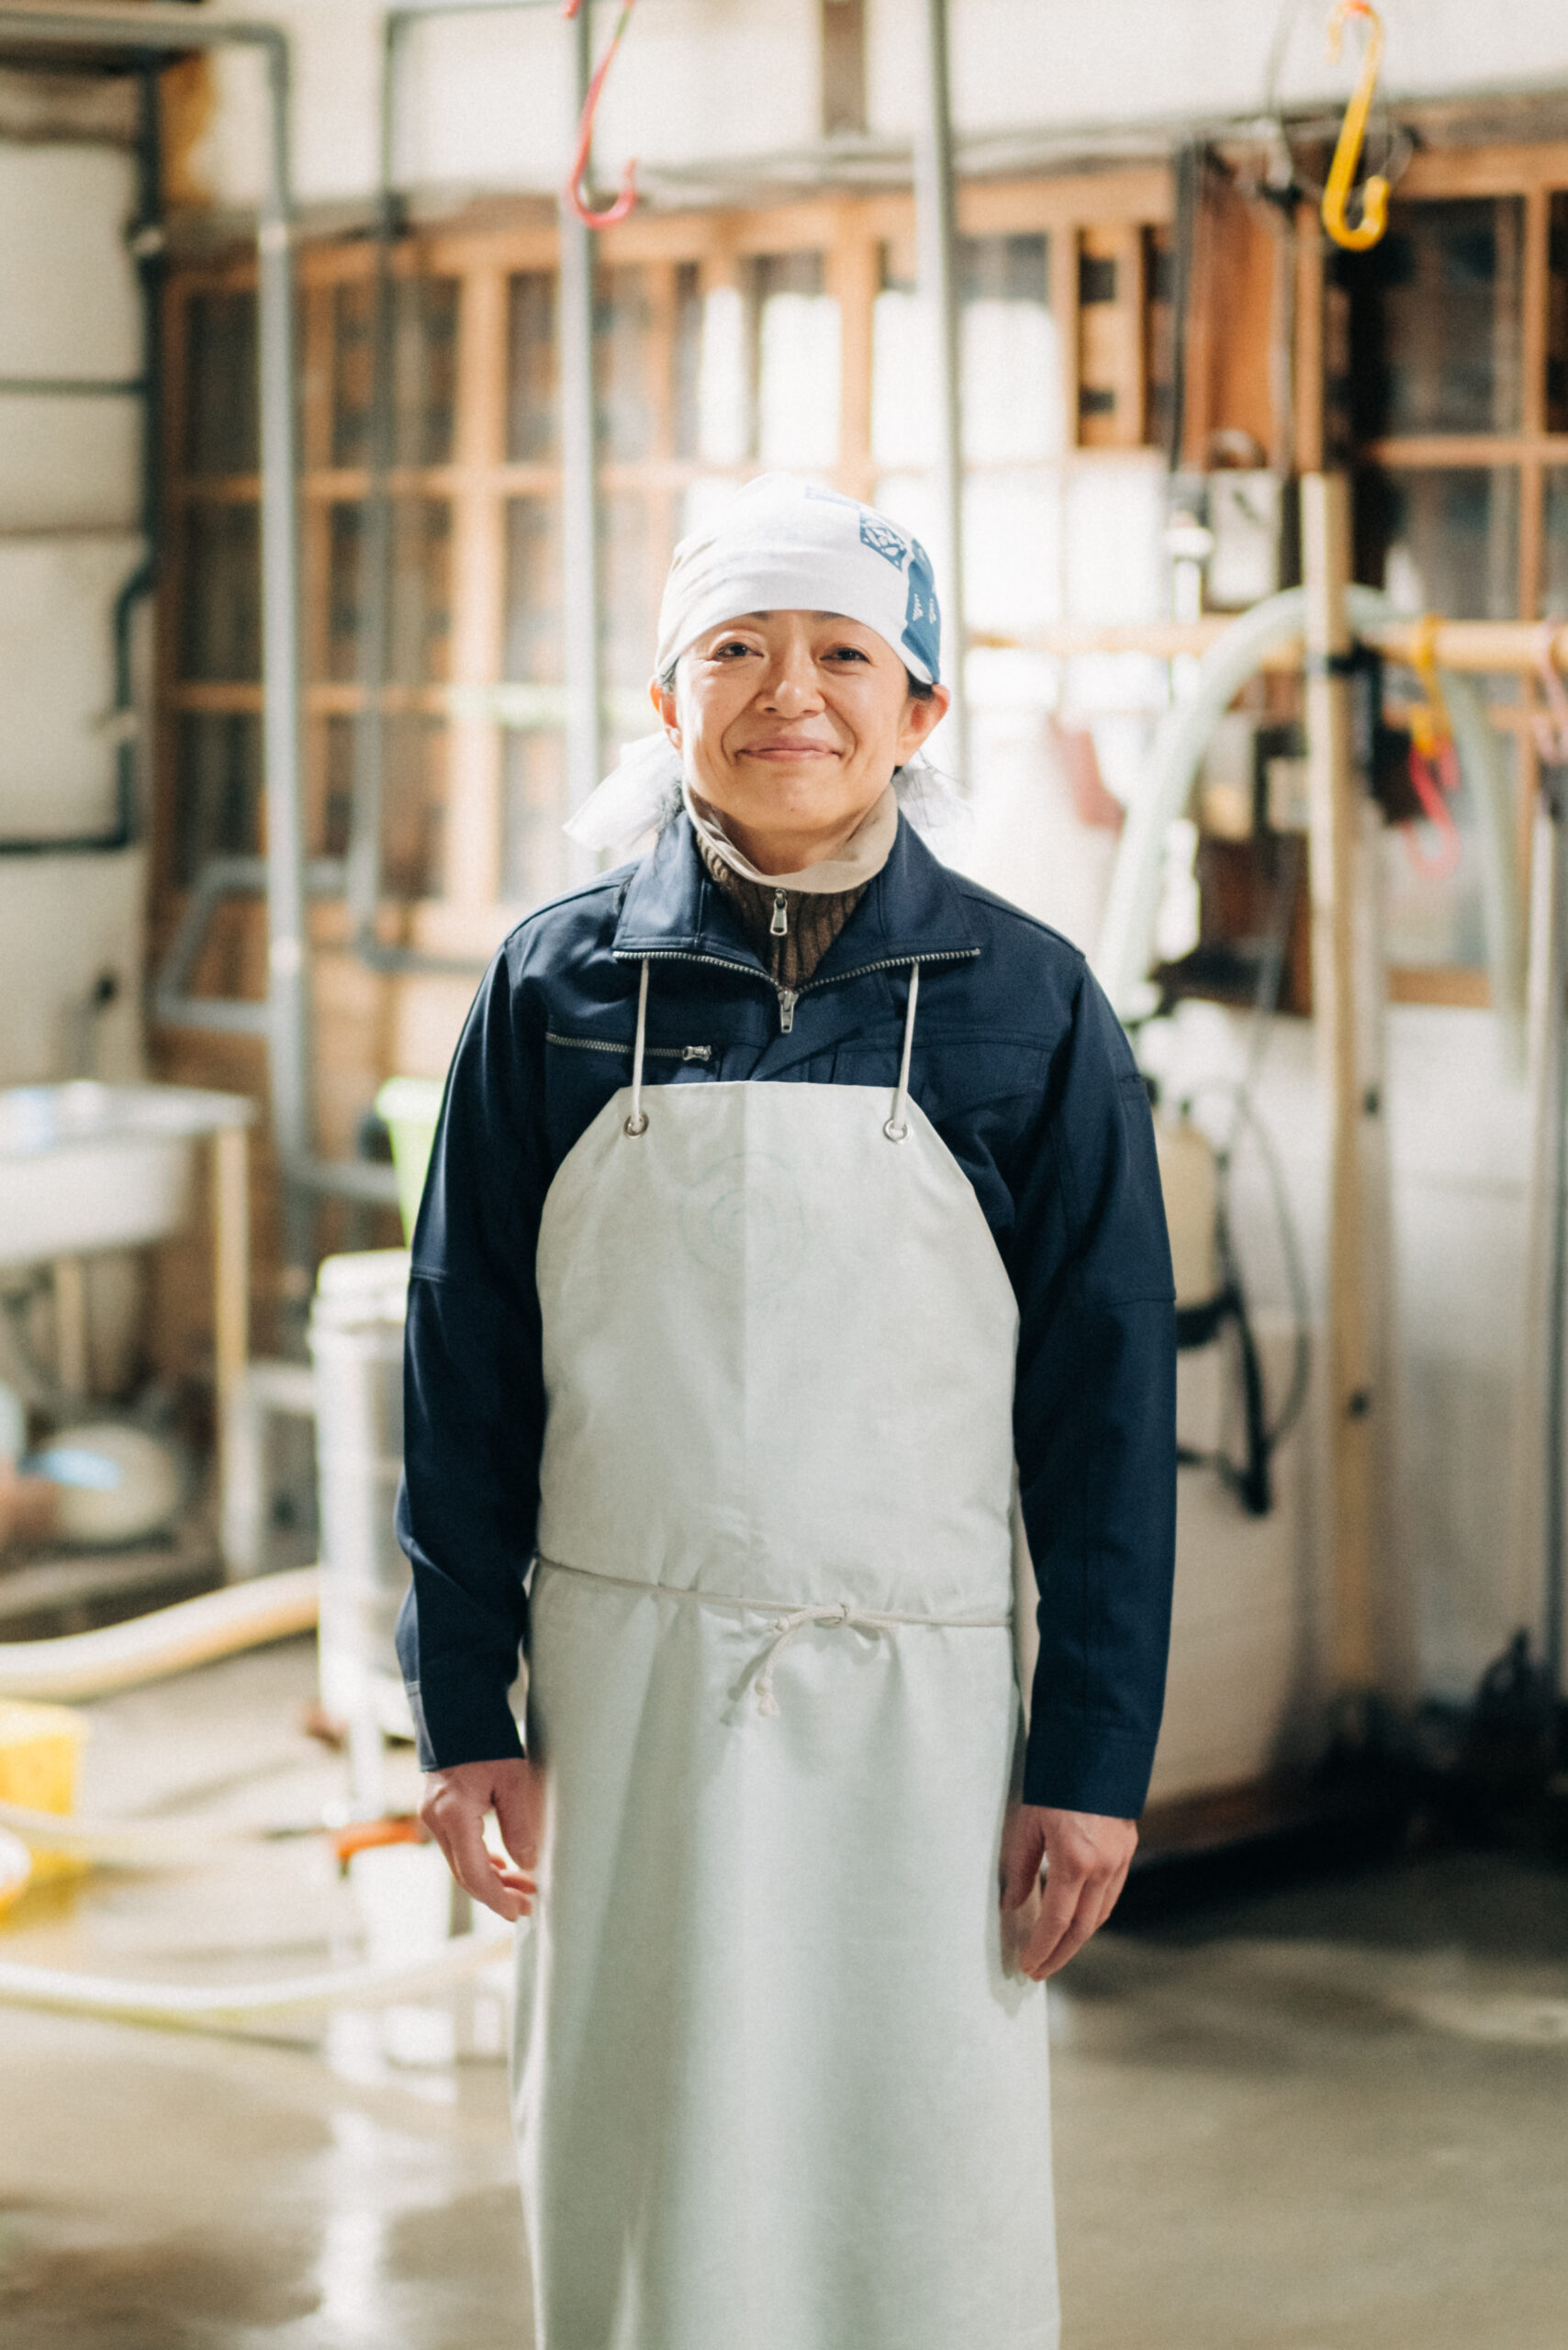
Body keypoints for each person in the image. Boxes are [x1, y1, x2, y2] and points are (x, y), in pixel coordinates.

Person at [397, 473, 1176, 2350]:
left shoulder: (1028, 1008)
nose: (788, 695)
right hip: (626, 1697)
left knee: (911, 2179)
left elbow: (1105, 1412)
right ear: (666, 698)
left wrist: (1089, 1750)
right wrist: (456, 1703)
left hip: (918, 1715)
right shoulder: (553, 989)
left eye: (843, 651)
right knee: (646, 2167)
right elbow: (462, 1367)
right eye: (733, 648)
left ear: (918, 711)